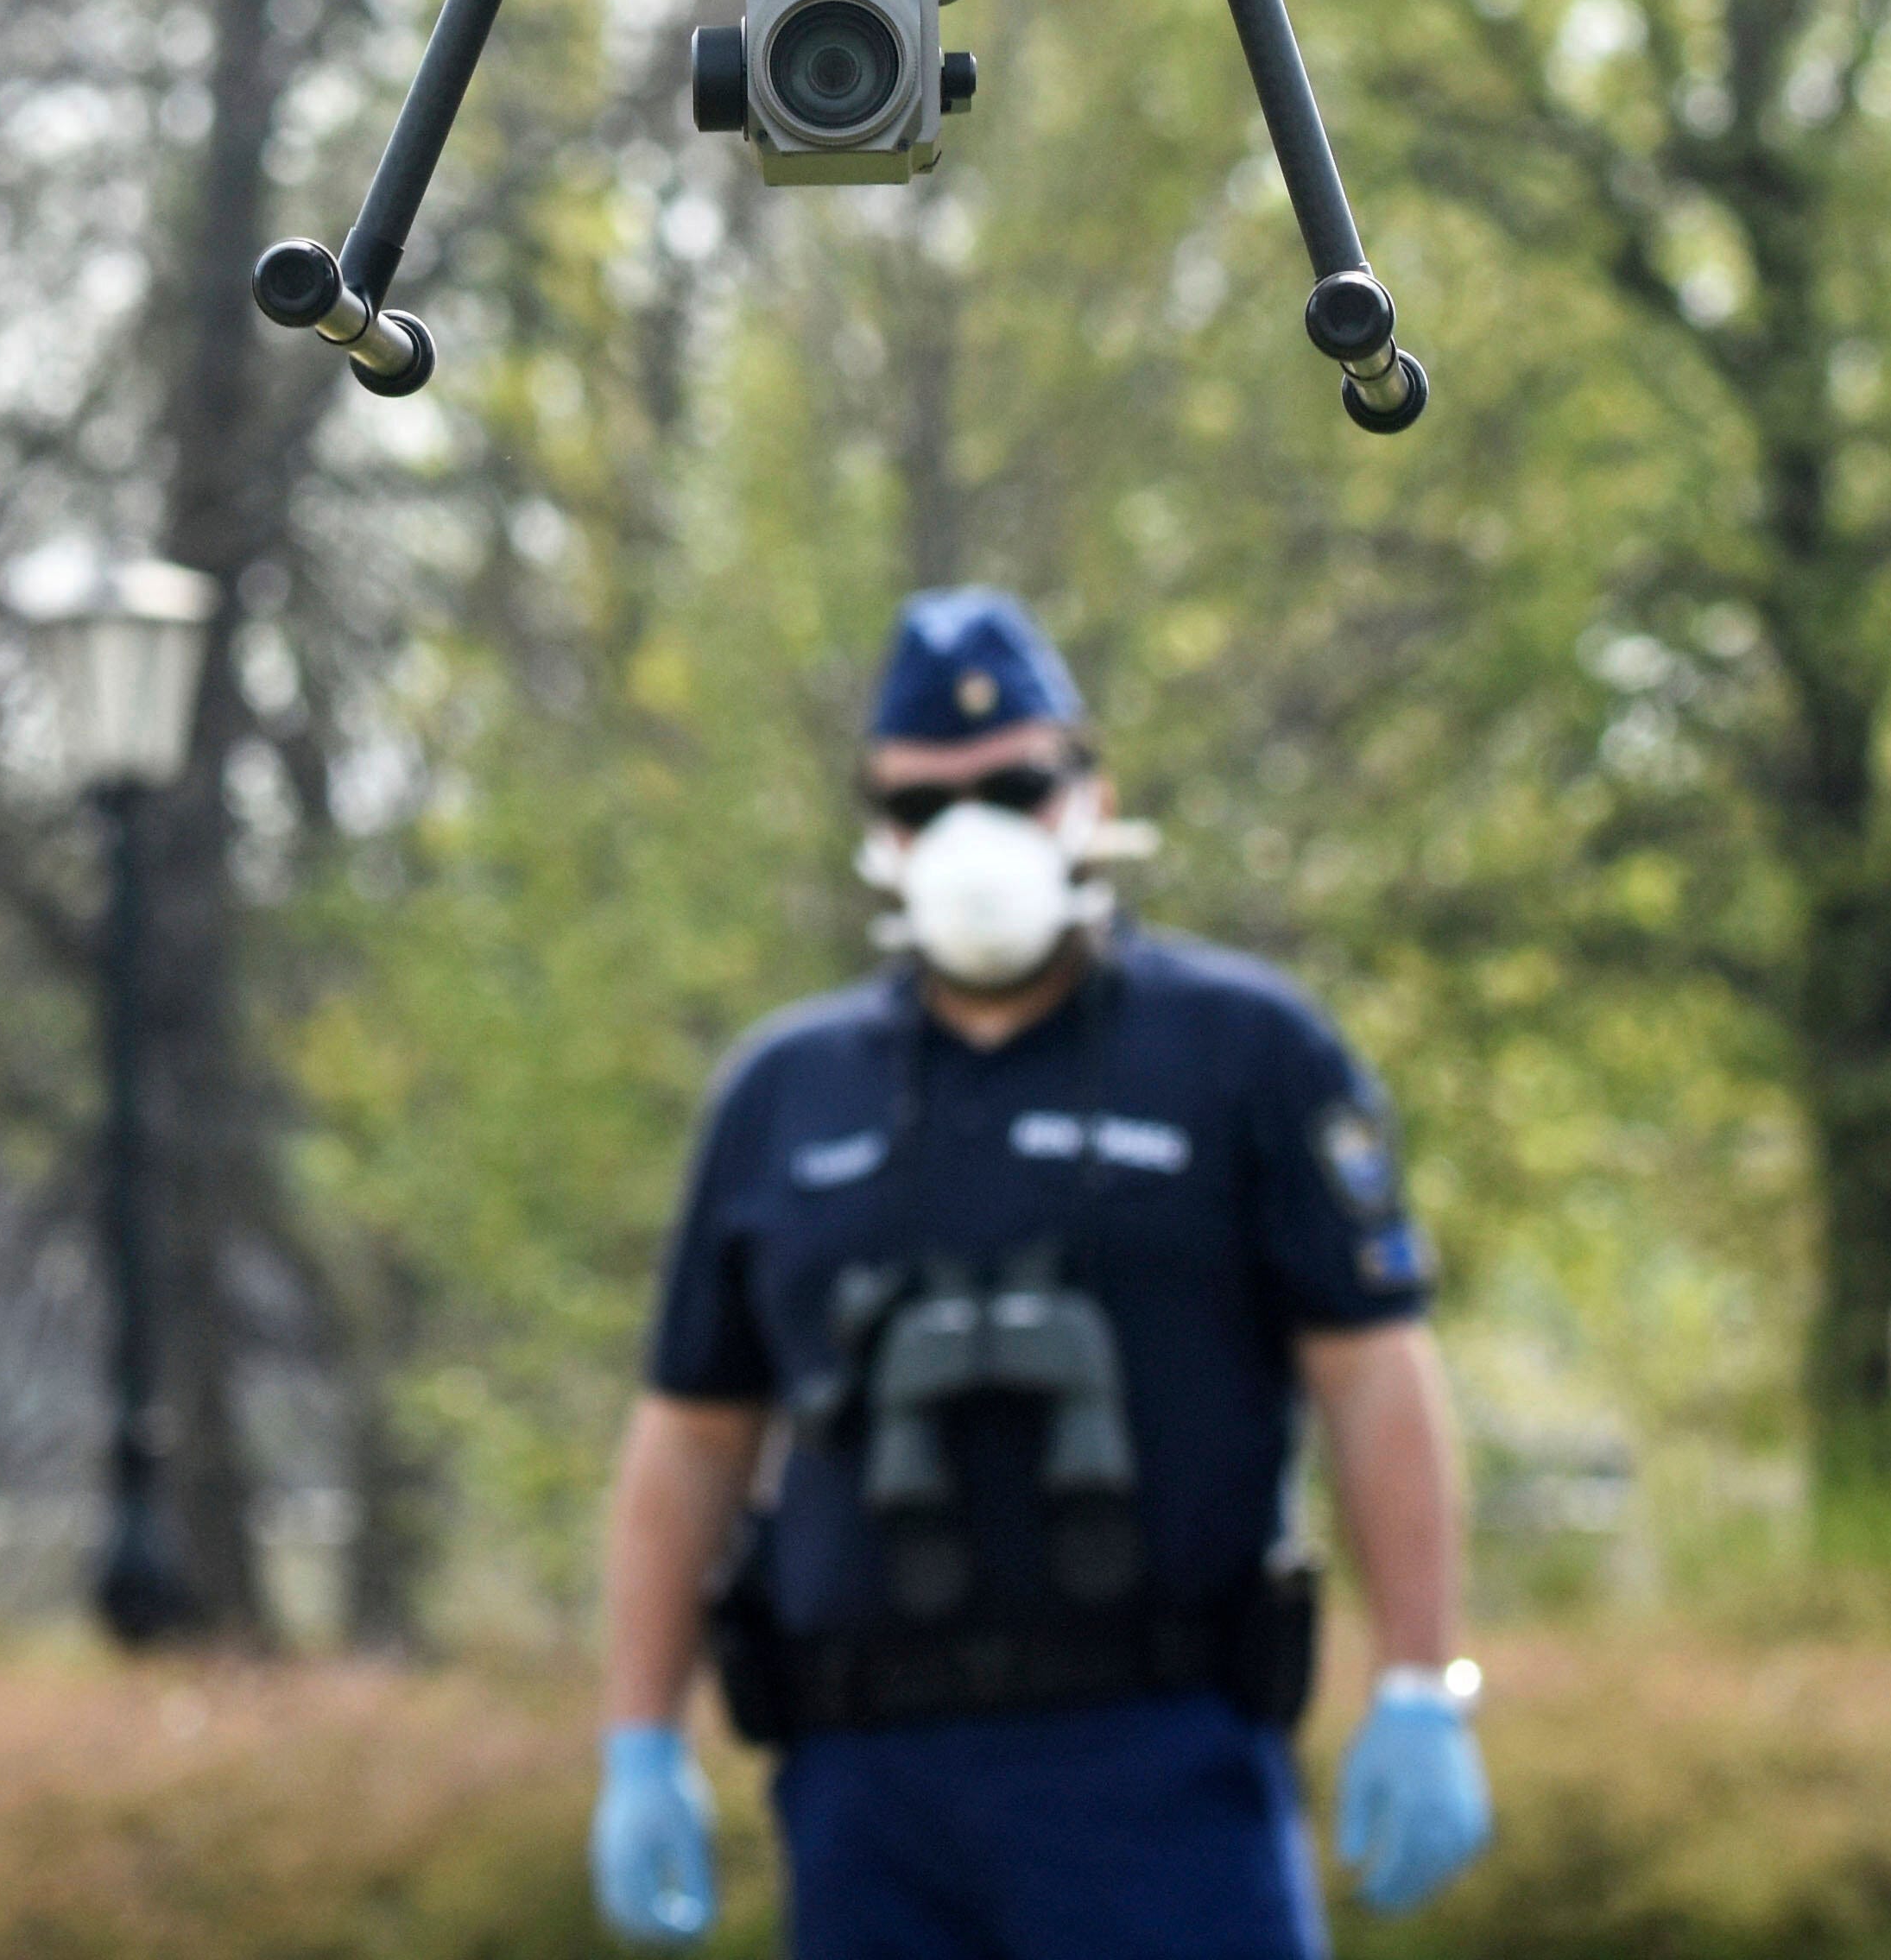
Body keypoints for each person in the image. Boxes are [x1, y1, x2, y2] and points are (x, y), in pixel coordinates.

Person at [584, 587, 1493, 1960]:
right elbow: (694, 1434)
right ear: (876, 835)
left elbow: (1372, 1372)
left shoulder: (1245, 1054)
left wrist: (1423, 1683)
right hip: (868, 1786)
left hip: (1164, 1764)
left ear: (1090, 795)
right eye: (922, 804)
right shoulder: (786, 1092)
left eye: (1012, 785)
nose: (972, 834)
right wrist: (640, 1737)